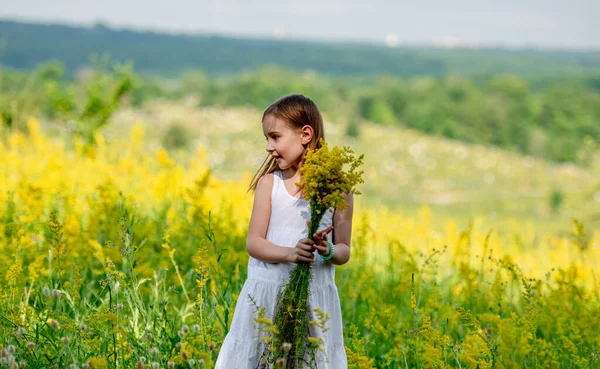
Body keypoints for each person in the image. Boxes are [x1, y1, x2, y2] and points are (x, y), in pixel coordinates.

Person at [215, 94, 352, 369]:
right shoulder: (270, 184)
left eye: (275, 137)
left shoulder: (338, 189)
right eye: (267, 138)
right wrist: (289, 253)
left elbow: (345, 250)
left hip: (313, 301)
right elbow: (254, 243)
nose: (268, 147)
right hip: (267, 296)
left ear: (305, 134)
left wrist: (328, 251)